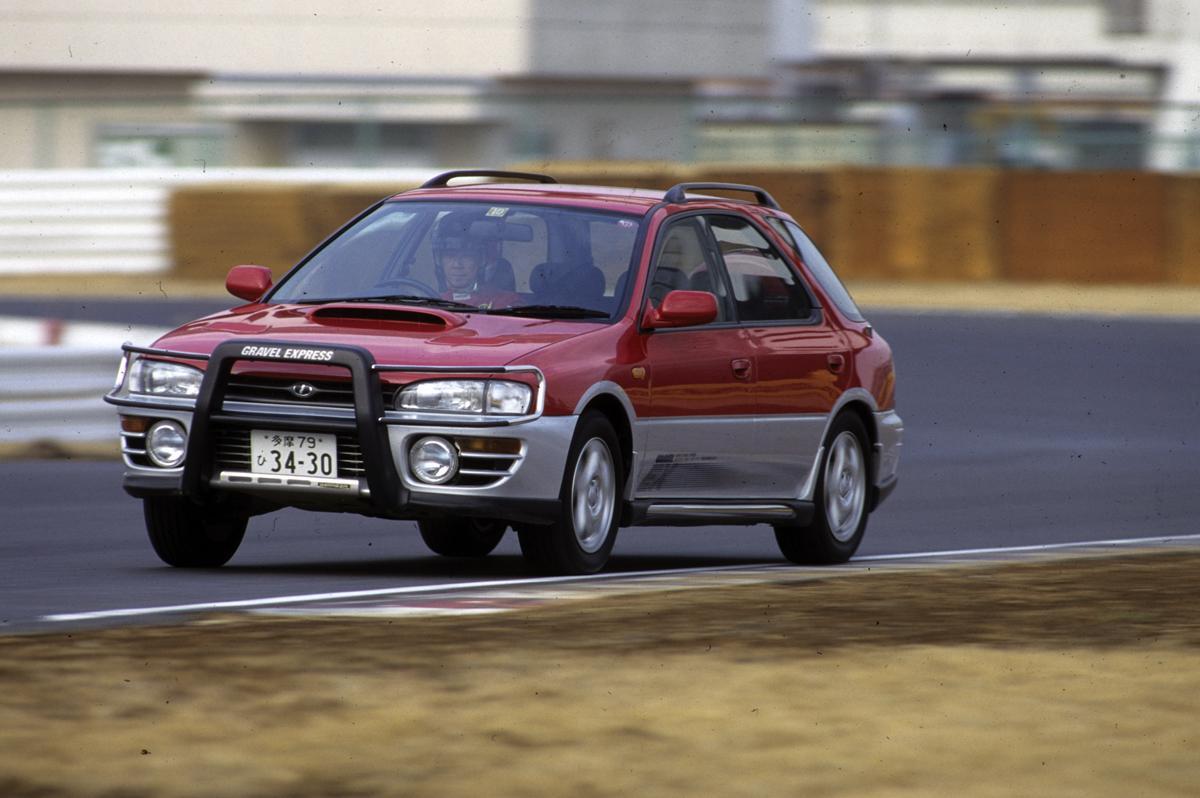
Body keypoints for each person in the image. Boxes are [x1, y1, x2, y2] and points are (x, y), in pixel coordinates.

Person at [432, 213, 518, 309]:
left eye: (466, 257)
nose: (457, 265)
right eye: (450, 256)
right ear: (440, 261)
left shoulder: (505, 302)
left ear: (481, 261)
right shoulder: (433, 300)